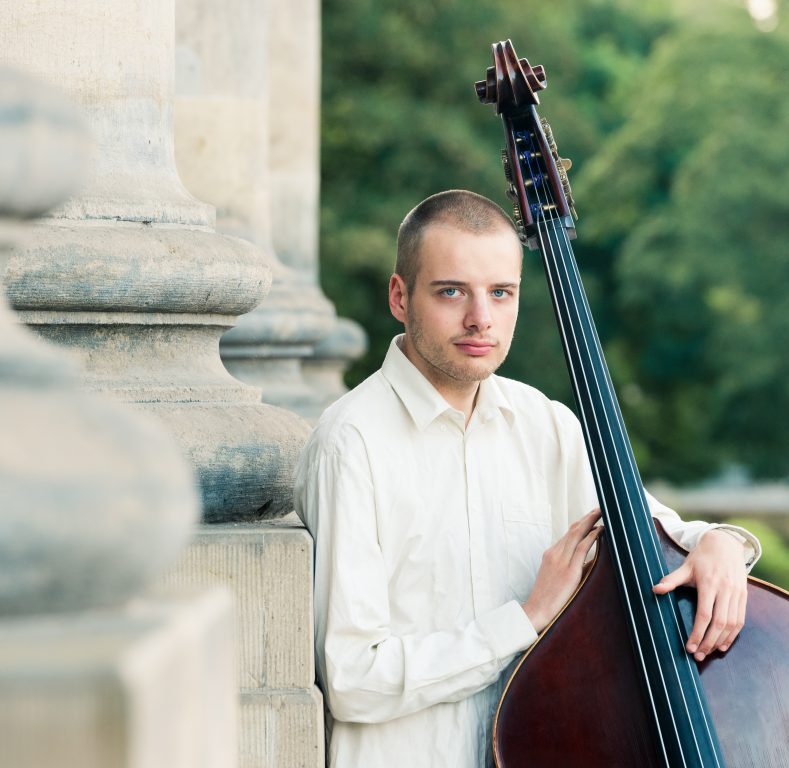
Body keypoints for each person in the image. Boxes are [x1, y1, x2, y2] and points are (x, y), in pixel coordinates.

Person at [294, 189, 761, 767]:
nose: (480, 319)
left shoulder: (546, 426)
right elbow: (352, 676)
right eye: (450, 292)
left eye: (501, 293)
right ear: (399, 296)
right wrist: (525, 619)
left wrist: (721, 543)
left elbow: (659, 533)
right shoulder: (351, 443)